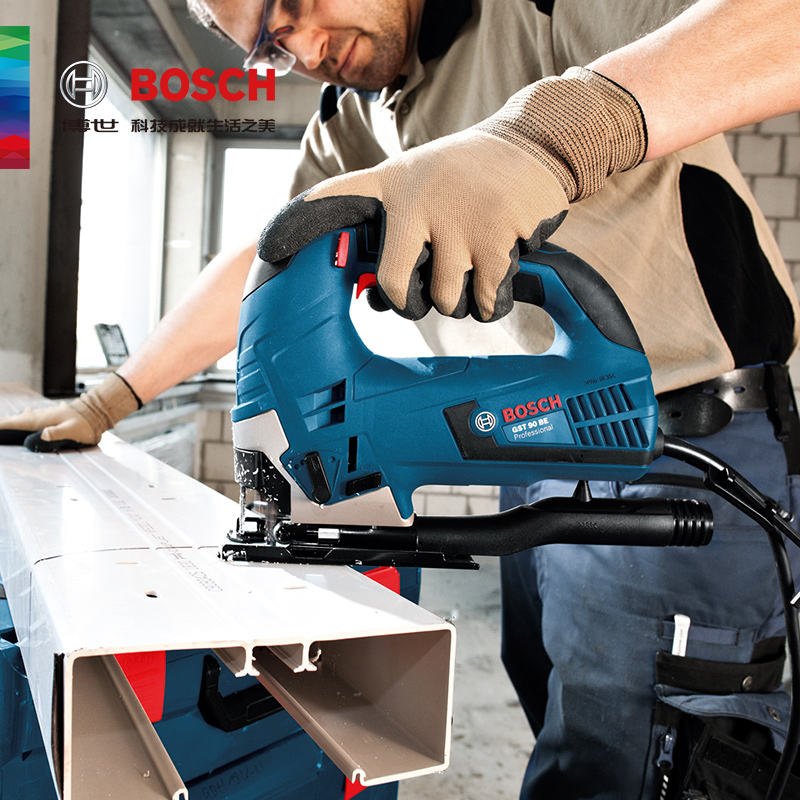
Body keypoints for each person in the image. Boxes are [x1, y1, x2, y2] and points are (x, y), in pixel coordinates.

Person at [3, 0, 800, 796]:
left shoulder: (530, 12)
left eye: (293, 2)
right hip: (541, 453)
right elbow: (277, 254)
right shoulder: (350, 115)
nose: (308, 46)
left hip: (690, 442)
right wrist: (112, 397)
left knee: (638, 758)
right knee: (575, 736)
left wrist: (549, 137)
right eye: (272, 46)